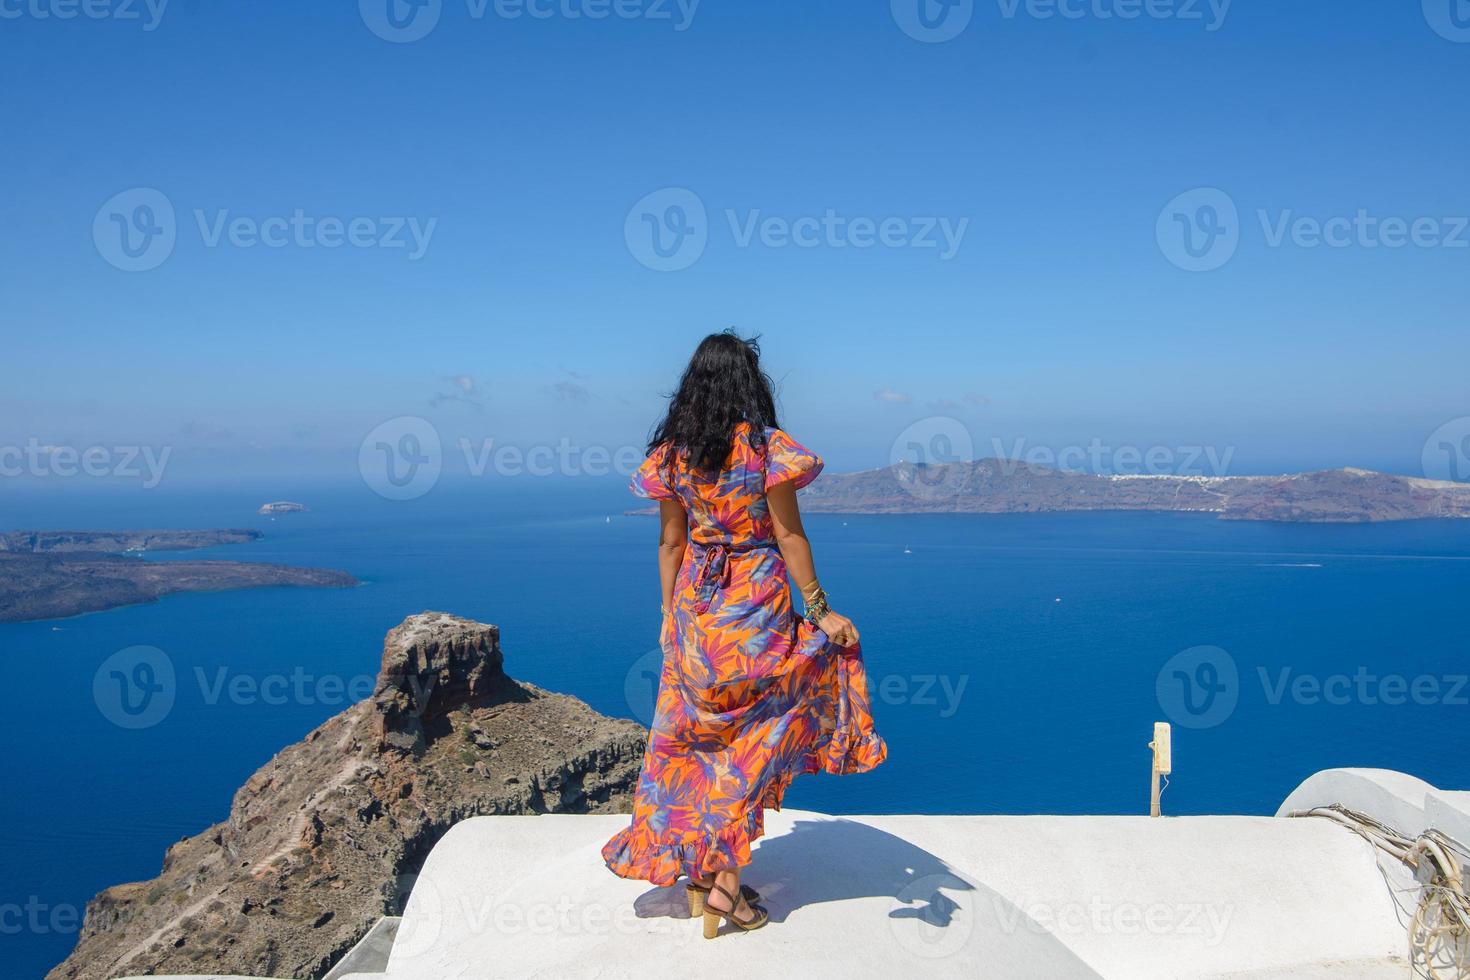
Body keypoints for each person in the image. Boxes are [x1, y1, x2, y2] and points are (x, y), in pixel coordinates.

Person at [601, 330, 887, 939]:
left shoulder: (673, 456)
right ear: (748, 383)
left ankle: (704, 877)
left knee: (696, 748)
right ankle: (727, 888)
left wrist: (666, 615)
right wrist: (819, 610)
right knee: (753, 741)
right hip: (757, 612)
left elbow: (671, 543)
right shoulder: (766, 451)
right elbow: (788, 537)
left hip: (695, 617)